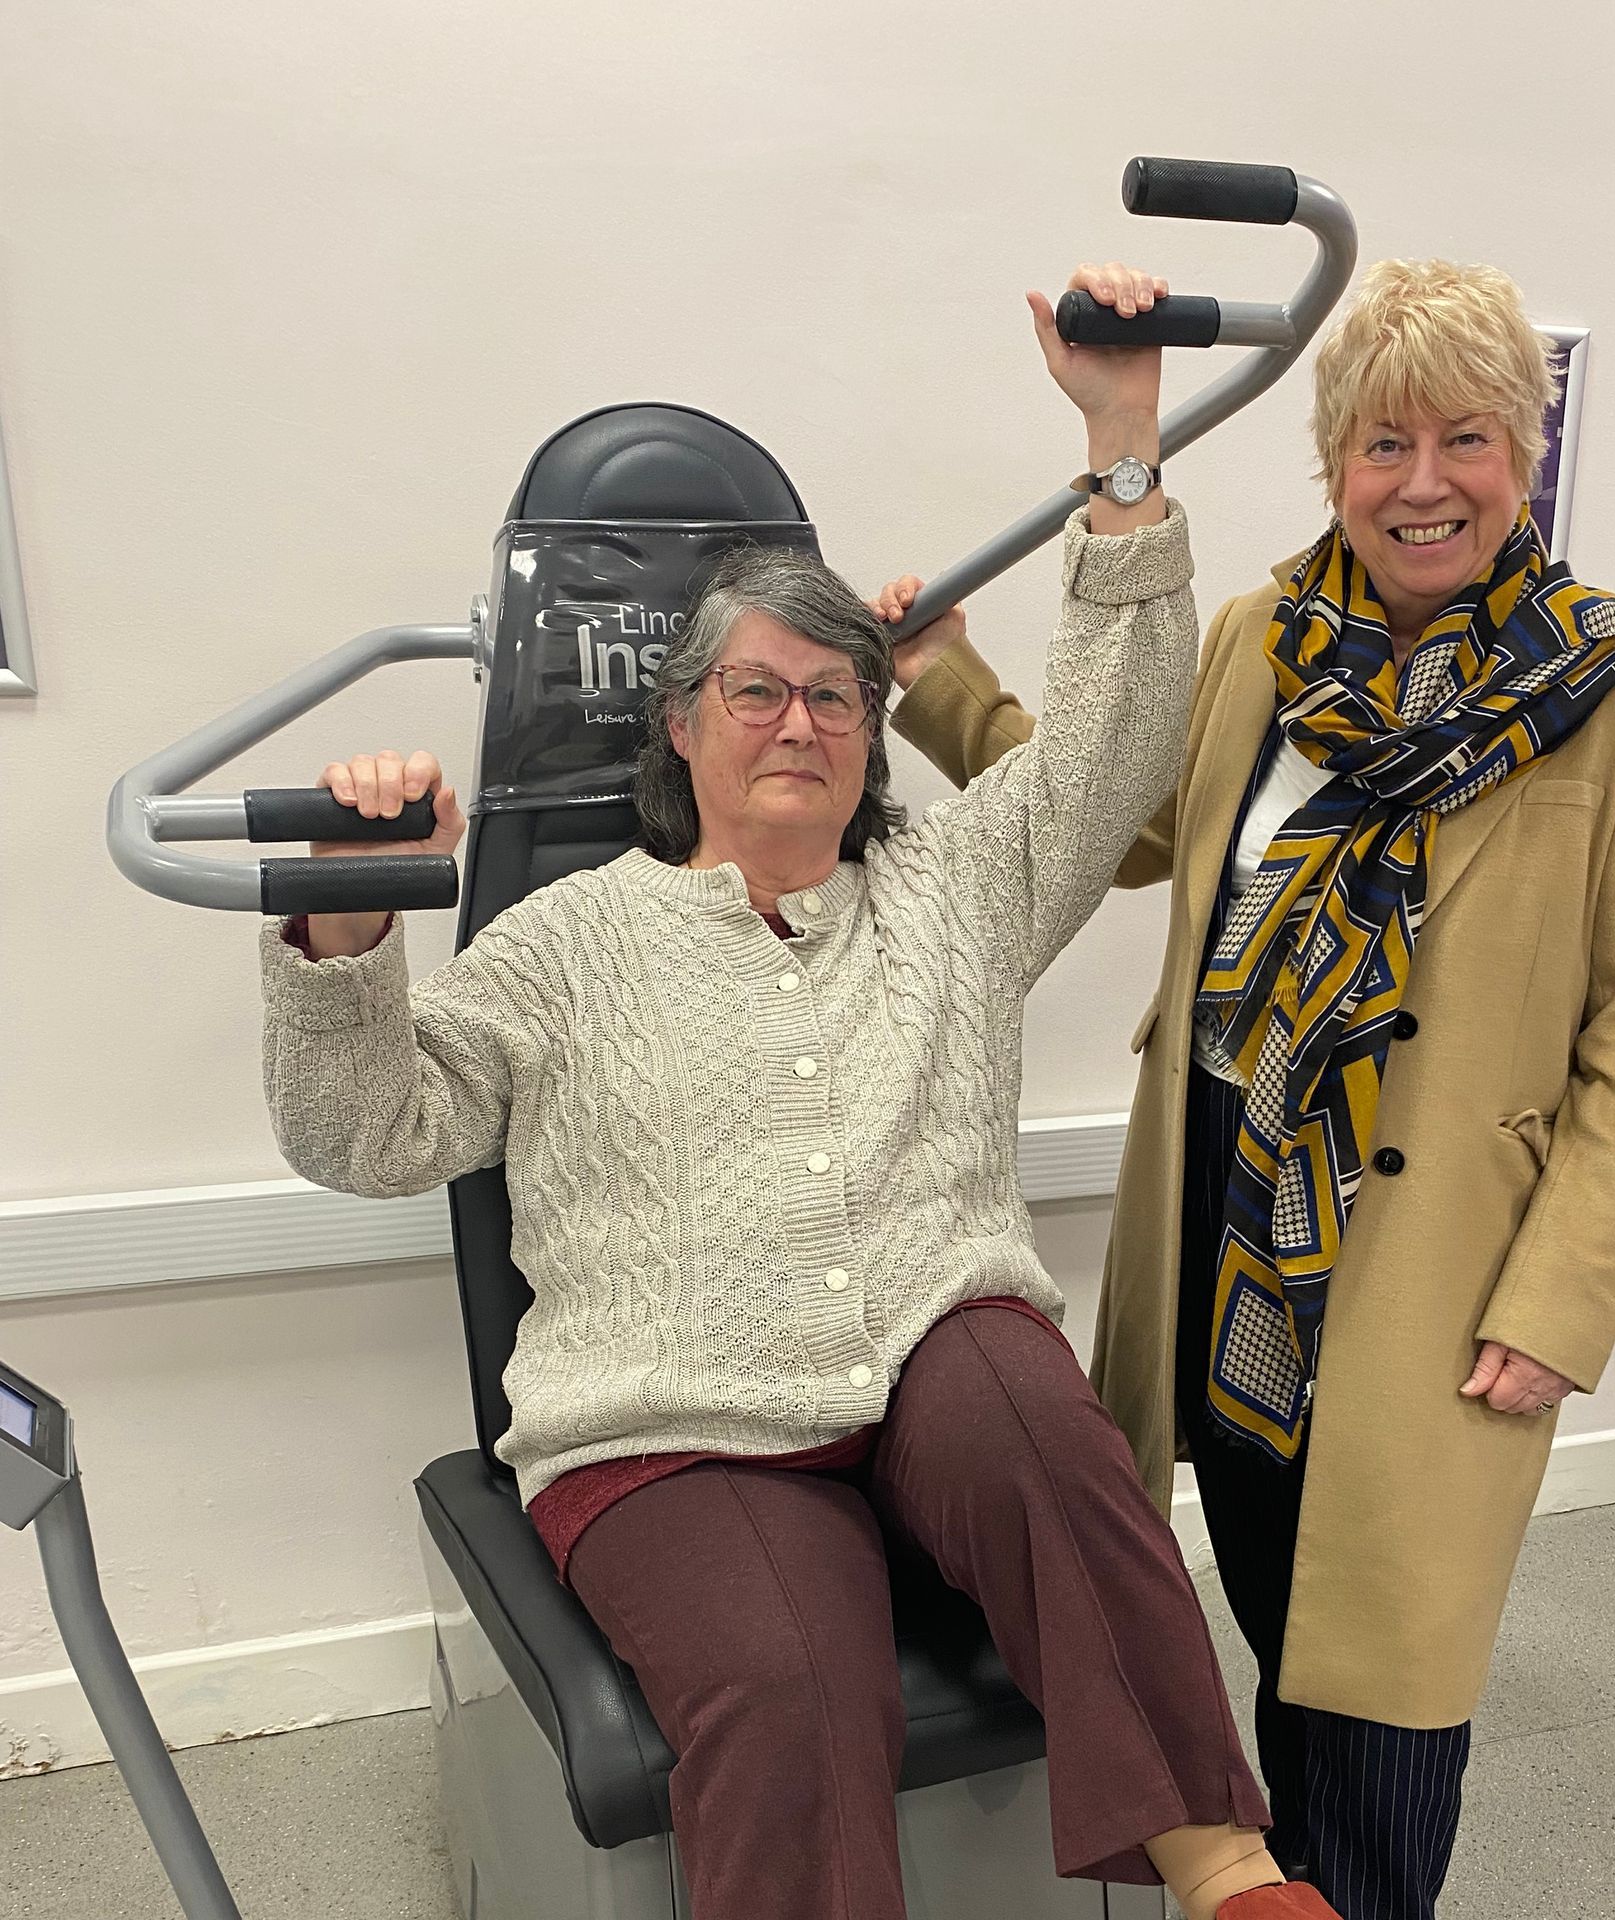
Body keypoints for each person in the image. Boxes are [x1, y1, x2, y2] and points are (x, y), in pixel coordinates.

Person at [256, 279, 1340, 1920]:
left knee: (1052, 1440)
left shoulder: (953, 885)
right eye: (756, 691)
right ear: (681, 727)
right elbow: (372, 1136)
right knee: (788, 1682)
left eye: (837, 694)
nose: (801, 721)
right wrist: (345, 925)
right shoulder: (564, 939)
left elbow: (1116, 757)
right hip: (677, 1430)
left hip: (928, 1357)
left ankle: (1231, 1871)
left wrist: (1123, 442)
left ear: (871, 736)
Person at [880, 255, 1615, 1920]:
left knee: (1386, 1693)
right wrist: (942, 682)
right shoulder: (1267, 638)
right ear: (1335, 460)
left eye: (1466, 442)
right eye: (1383, 445)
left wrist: (1563, 1299)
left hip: (1437, 1274)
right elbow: (1121, 825)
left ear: (1523, 456)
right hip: (1228, 1225)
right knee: (1265, 1611)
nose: (1423, 486)